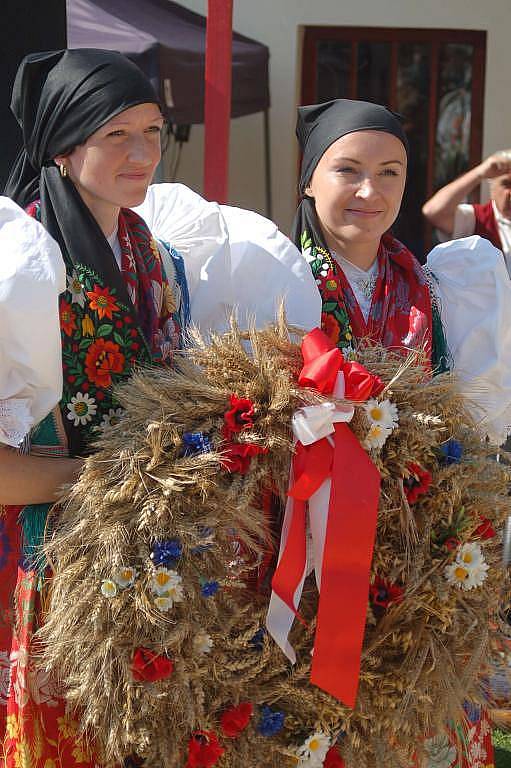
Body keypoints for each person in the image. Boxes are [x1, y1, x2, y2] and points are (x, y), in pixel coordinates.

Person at [289, 97, 494, 768]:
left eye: (390, 172)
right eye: (346, 170)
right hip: (304, 551)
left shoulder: (434, 288)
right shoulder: (273, 283)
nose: (369, 192)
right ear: (308, 178)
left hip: (415, 544)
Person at [0, 48, 190, 767]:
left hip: (141, 558)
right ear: (63, 143)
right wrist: (108, 476)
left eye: (153, 130)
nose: (143, 153)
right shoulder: (15, 260)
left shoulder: (158, 260)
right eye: (116, 134)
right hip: (42, 565)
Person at [422, 151, 511, 276]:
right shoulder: (477, 218)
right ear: (492, 188)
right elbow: (433, 211)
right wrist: (480, 172)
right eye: (506, 184)